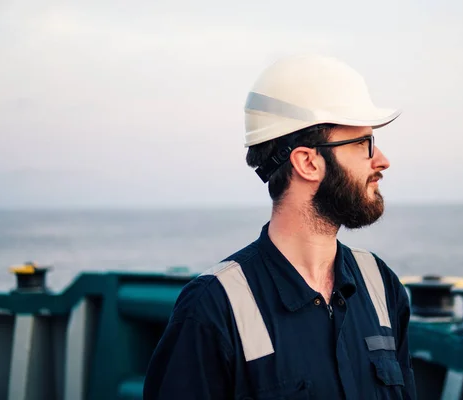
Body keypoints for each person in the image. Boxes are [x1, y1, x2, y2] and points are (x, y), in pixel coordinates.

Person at [143, 54, 417, 400]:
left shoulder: (382, 285)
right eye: (364, 144)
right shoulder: (213, 308)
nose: (382, 161)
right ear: (307, 162)